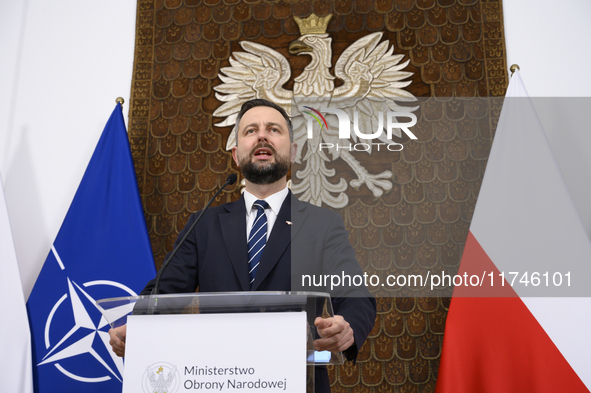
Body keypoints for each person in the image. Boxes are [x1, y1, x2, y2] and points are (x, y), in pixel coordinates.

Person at [109, 98, 376, 392]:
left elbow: (356, 297)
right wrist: (137, 328)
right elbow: (161, 296)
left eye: (274, 130)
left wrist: (347, 327)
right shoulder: (204, 225)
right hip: (216, 379)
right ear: (236, 155)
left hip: (298, 380)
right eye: (251, 130)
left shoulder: (322, 224)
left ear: (294, 152)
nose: (262, 135)